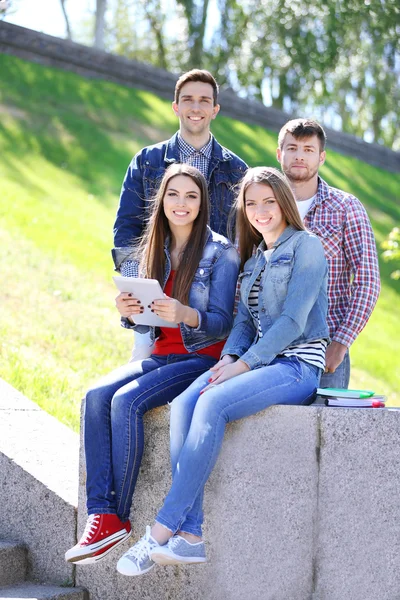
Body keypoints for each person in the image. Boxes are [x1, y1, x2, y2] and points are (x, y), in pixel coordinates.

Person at [115, 166, 329, 576]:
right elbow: (245, 325)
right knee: (185, 402)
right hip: (253, 362)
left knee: (211, 403)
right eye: (251, 203)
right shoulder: (252, 261)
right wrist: (230, 359)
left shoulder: (307, 247)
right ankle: (192, 537)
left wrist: (245, 364)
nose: (260, 210)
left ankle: (160, 532)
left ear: (283, 203)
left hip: (297, 366)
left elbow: (292, 322)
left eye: (269, 201)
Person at [65, 164, 240, 566]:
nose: (182, 204)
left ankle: (117, 517)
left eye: (191, 196)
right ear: (161, 200)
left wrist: (184, 313)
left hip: (201, 358)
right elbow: (144, 318)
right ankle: (101, 514)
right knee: (95, 395)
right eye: (174, 195)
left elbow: (224, 323)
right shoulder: (152, 247)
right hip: (162, 354)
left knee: (126, 401)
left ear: (203, 204)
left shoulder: (221, 251)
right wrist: (127, 311)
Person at [113, 69, 247, 358]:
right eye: (187, 99)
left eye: (204, 100)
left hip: (211, 309)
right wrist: (139, 291)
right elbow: (127, 229)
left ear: (215, 109)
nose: (195, 108)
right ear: (176, 107)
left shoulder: (237, 171)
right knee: (139, 378)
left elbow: (245, 240)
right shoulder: (147, 161)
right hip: (156, 305)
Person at [276, 118, 380, 389]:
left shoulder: (346, 208)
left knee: (323, 431)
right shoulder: (262, 206)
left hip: (325, 352)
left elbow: (367, 282)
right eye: (292, 148)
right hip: (268, 351)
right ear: (279, 154)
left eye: (308, 150)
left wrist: (341, 343)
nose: (300, 156)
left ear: (321, 157)